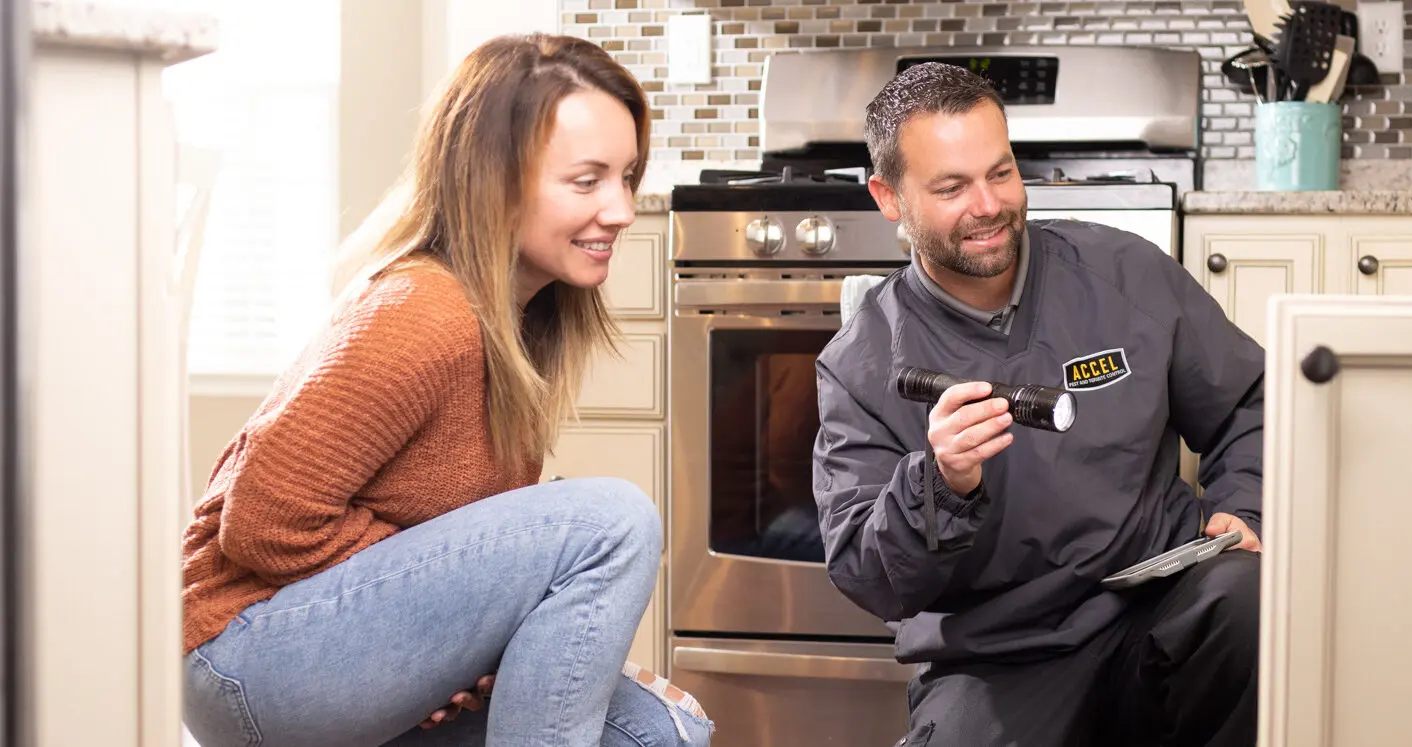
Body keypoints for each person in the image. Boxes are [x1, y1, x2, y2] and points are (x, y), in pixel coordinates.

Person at [179, 34, 713, 747]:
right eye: (587, 181)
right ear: (494, 181)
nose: (620, 209)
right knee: (613, 519)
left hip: (326, 647)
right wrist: (442, 619)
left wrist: (448, 628)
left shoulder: (518, 324)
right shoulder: (425, 312)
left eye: (627, 176)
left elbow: (454, 563)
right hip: (243, 658)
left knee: (659, 731)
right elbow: (262, 518)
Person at [811, 62, 1265, 747]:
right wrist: (938, 484)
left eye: (1001, 172)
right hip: (997, 661)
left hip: (1157, 603)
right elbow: (867, 575)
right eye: (952, 187)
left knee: (1249, 599)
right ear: (889, 196)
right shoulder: (859, 364)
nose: (989, 204)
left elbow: (1250, 398)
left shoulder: (1125, 274)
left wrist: (1246, 502)